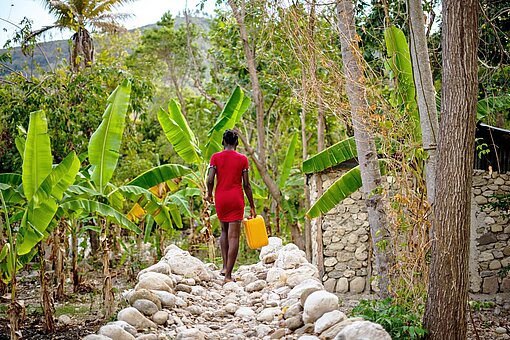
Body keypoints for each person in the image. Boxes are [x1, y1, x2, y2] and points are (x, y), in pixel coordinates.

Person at [206, 129, 256, 284]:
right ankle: (228, 275)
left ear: (223, 142)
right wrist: (252, 206)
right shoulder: (243, 159)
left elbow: (209, 179)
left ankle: (223, 267)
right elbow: (247, 185)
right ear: (237, 143)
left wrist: (209, 194)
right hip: (236, 199)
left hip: (221, 198)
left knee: (223, 231)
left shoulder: (215, 157)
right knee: (233, 236)